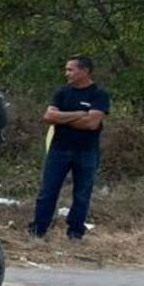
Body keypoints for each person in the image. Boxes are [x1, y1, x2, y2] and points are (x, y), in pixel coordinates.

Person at [28, 55, 110, 239]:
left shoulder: (99, 94)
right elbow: (49, 117)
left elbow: (91, 123)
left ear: (84, 71)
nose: (67, 73)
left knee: (82, 193)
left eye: (71, 70)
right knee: (47, 191)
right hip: (59, 149)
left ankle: (75, 232)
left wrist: (63, 118)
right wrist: (79, 114)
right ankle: (38, 229)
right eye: (67, 69)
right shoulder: (62, 92)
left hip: (87, 151)